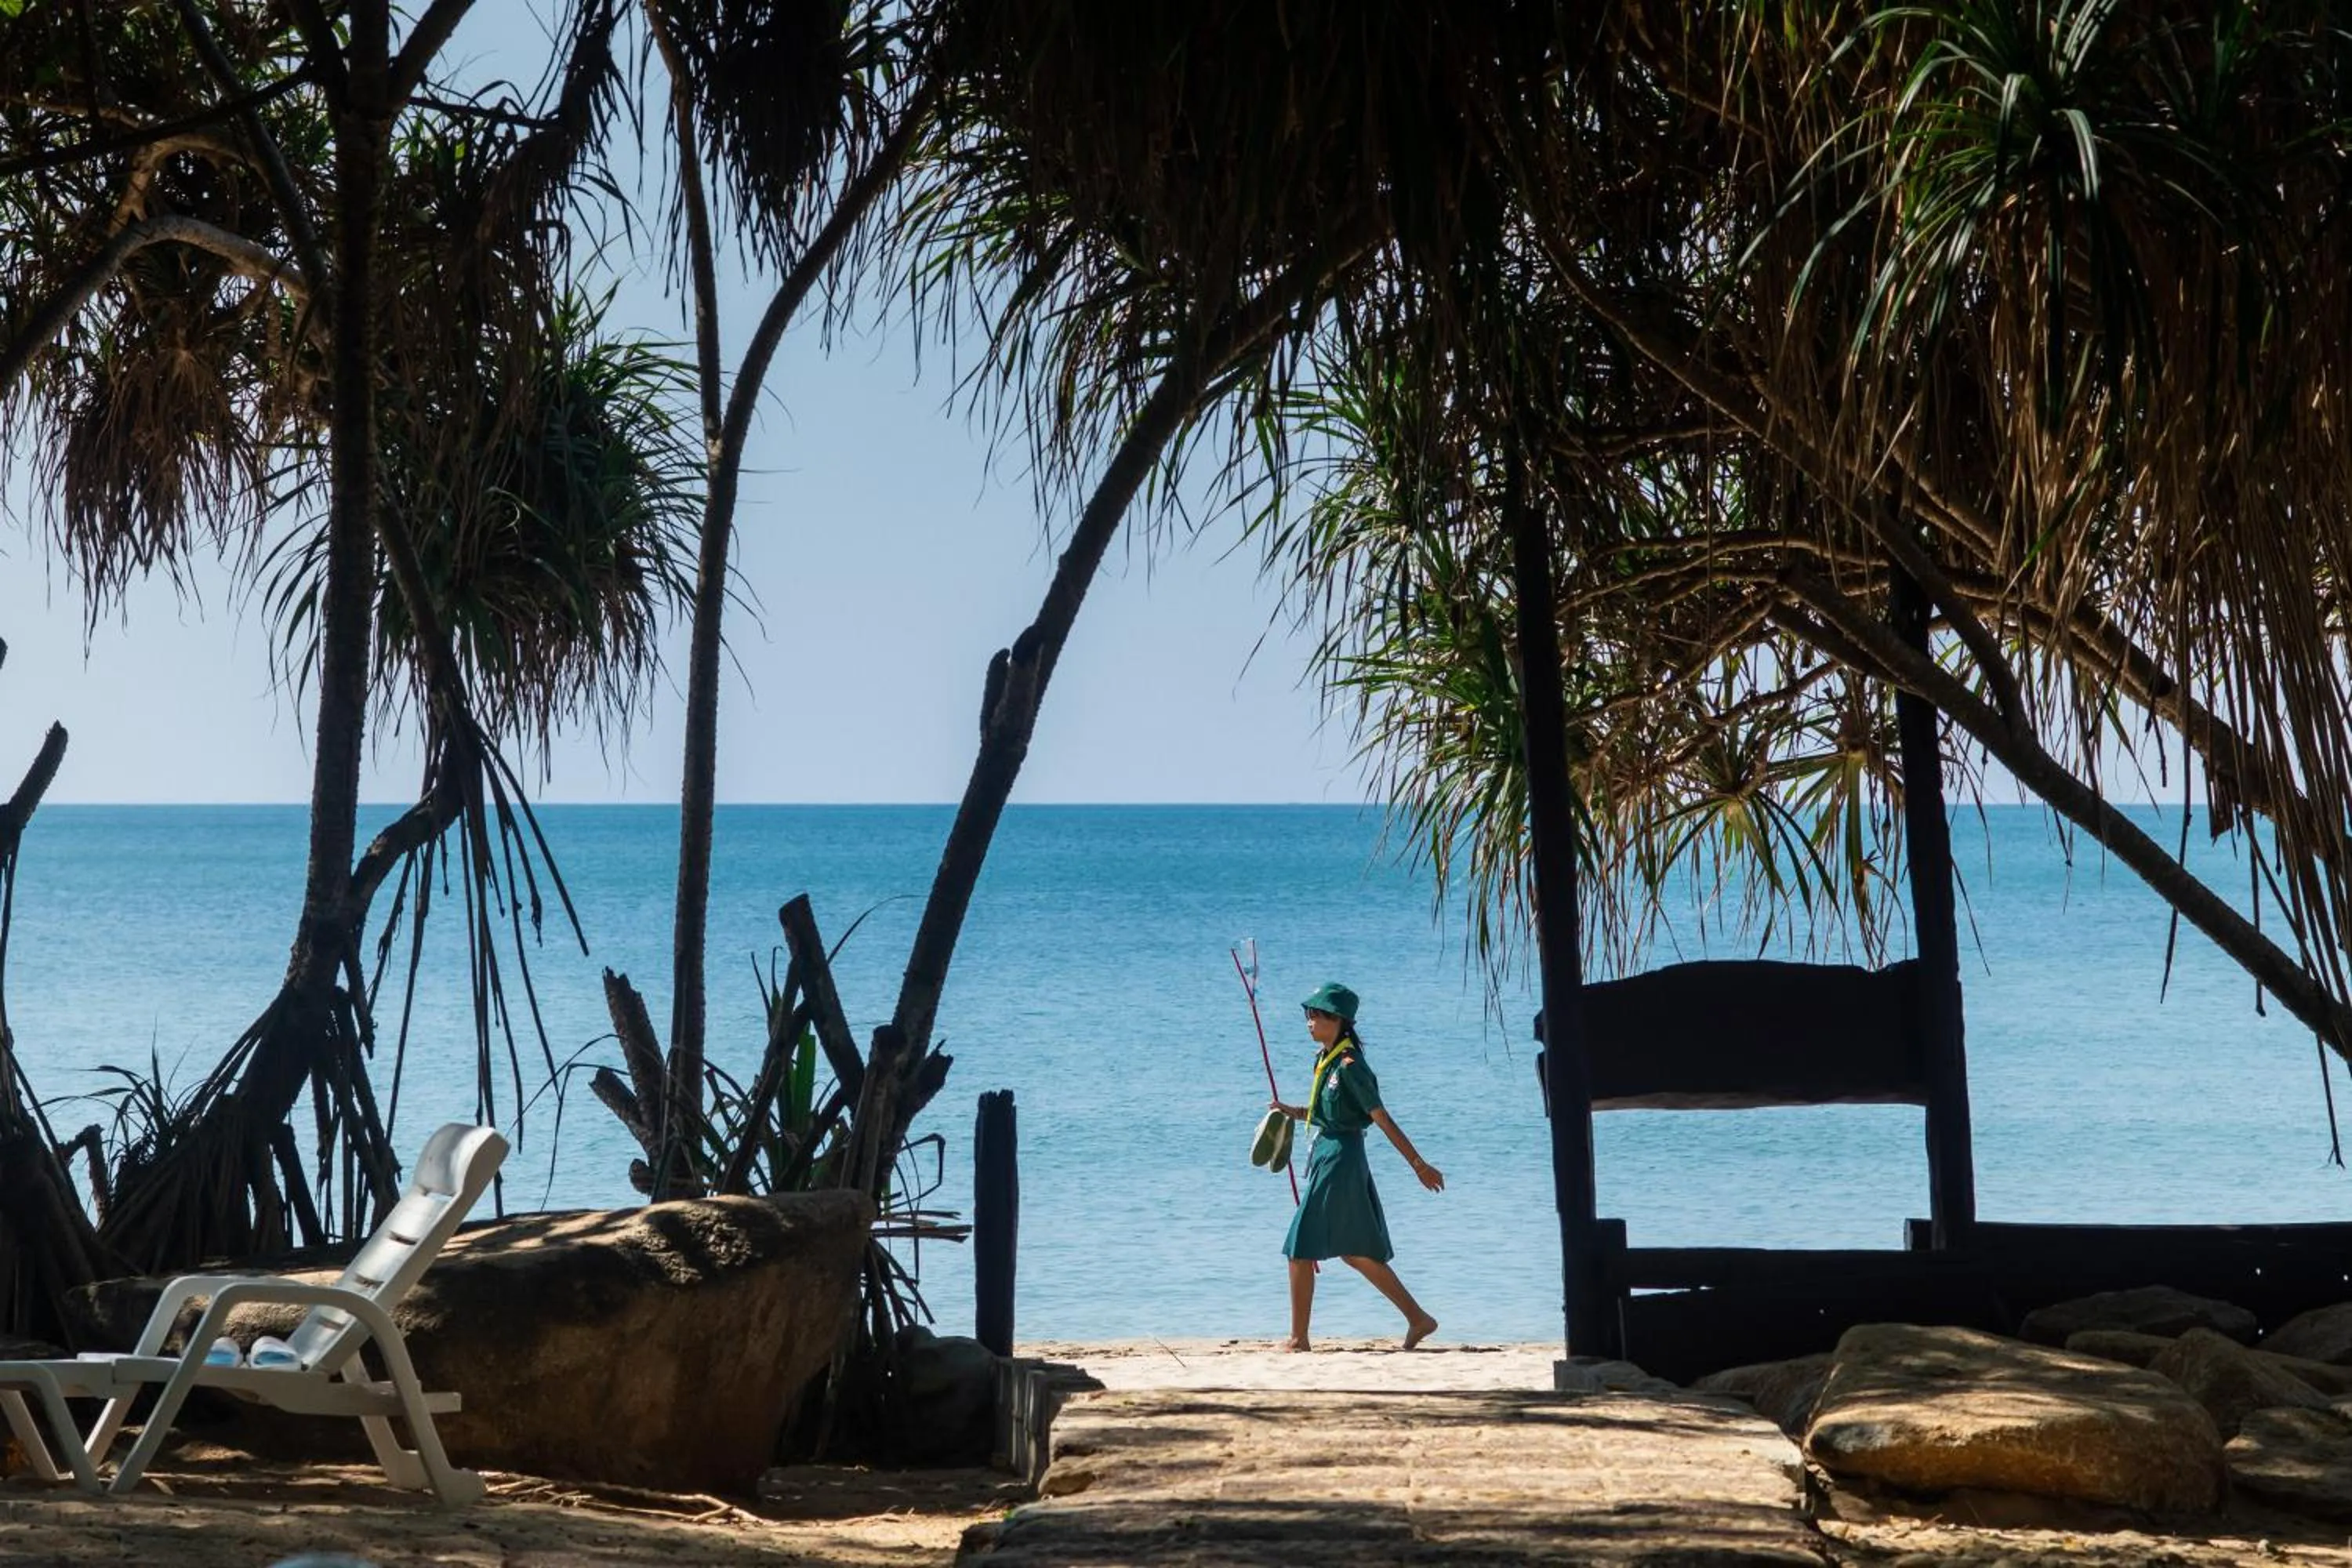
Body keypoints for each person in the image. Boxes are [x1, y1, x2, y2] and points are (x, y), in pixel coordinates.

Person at [1268, 982, 1443, 1351]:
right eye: (1308, 1015)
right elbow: (1326, 1113)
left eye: (1317, 1015)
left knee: (1300, 1248)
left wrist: (1418, 1164)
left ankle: (1298, 1339)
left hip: (1342, 1160)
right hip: (1328, 1156)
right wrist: (1292, 1111)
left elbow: (1380, 1117)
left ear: (1339, 1021)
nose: (1309, 1022)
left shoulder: (1351, 1066)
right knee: (1354, 1250)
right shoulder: (1324, 1060)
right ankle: (1418, 1318)